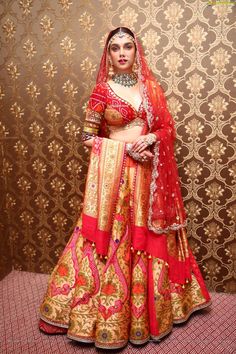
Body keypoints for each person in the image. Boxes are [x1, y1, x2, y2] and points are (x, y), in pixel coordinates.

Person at [38, 27, 211, 349]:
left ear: (136, 52)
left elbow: (166, 127)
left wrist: (150, 138)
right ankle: (104, 314)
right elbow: (88, 137)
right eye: (115, 47)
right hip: (115, 179)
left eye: (127, 46)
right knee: (114, 237)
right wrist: (123, 149)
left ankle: (156, 310)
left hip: (149, 176)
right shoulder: (101, 91)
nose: (121, 53)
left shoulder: (151, 89)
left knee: (151, 235)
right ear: (108, 54)